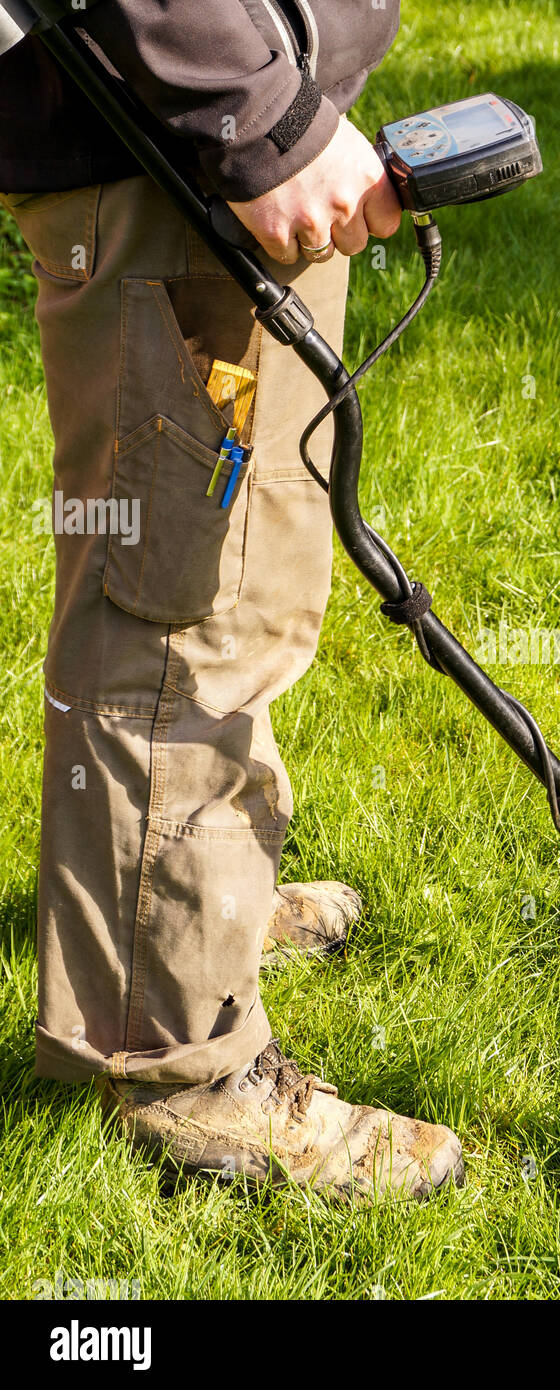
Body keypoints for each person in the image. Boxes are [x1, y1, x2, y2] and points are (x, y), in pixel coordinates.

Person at [0, 0, 464, 1203]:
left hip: (242, 120)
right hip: (174, 129)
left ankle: (200, 909)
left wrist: (287, 104)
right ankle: (183, 1064)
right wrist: (256, 114)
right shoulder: (230, 120)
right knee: (176, 616)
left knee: (250, 586)